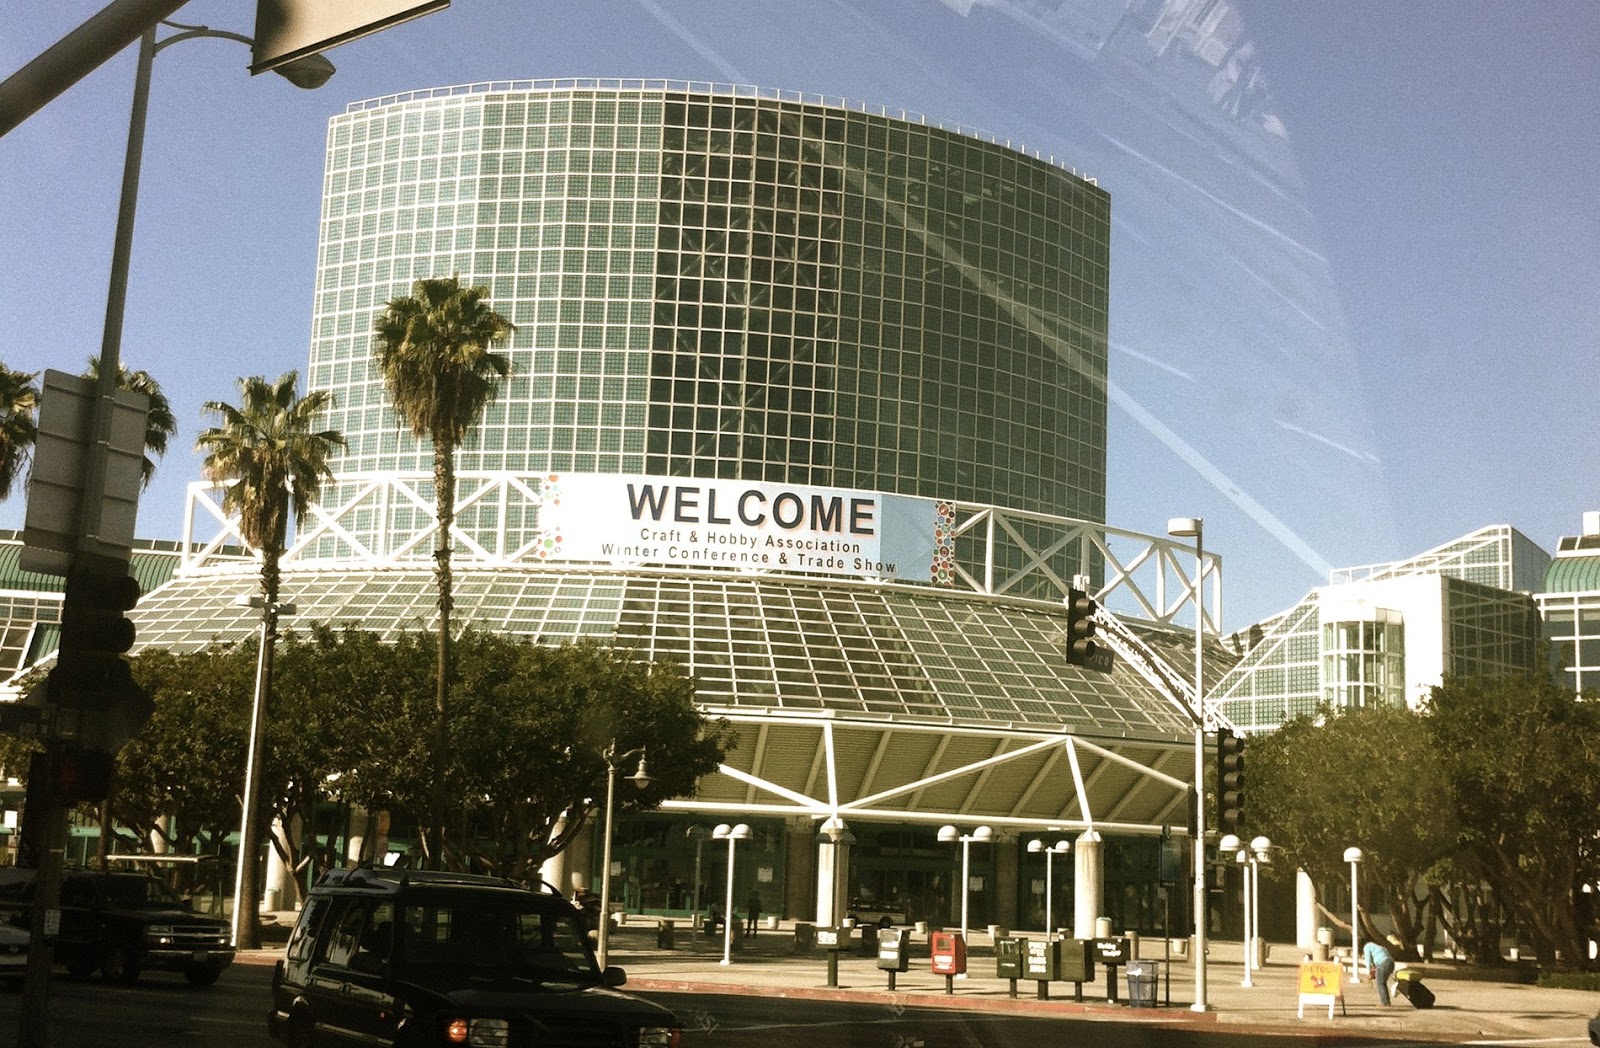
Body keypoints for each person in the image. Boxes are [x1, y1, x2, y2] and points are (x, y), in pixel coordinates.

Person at [1362, 938, 1396, 1005]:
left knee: (1380, 983)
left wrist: (1368, 971)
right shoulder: (1378, 946)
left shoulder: (1367, 946)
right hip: (1391, 962)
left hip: (1382, 963)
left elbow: (1367, 960)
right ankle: (1386, 1001)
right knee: (1383, 983)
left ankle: (1385, 1002)